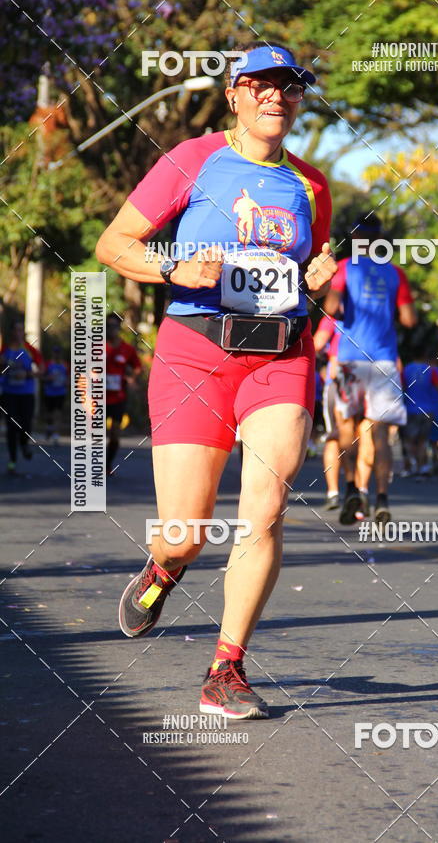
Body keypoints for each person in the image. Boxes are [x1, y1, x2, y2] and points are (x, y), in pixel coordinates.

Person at [96, 43, 335, 718]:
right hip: (195, 353)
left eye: (289, 88)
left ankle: (226, 667)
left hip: (281, 356)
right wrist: (176, 267)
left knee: (263, 513)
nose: (276, 97)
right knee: (185, 532)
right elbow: (113, 244)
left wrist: (320, 282)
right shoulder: (192, 160)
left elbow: (312, 270)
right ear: (234, 94)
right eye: (261, 85)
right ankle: (166, 567)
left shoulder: (312, 183)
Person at [325, 214, 416, 525]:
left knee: (346, 427)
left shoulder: (344, 268)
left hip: (350, 357)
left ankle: (351, 488)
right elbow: (409, 320)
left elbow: (331, 308)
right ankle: (381, 498)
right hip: (384, 359)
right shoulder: (395, 273)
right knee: (380, 434)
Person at [0, 319, 44, 475]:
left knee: (26, 423)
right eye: (16, 330)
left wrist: (27, 374)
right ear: (11, 332)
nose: (18, 333)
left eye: (21, 330)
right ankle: (12, 461)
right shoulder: (4, 350)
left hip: (26, 393)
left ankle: (24, 444)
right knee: (11, 427)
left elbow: (41, 370)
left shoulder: (30, 349)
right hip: (9, 393)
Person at [105, 314, 142, 476]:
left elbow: (137, 366)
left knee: (115, 433)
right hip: (96, 397)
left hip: (118, 397)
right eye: (108, 326)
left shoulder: (127, 349)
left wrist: (131, 378)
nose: (111, 330)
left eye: (114, 326)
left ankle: (107, 465)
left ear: (119, 328)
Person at [313, 313, 342, 509]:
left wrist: (326, 354)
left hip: (338, 378)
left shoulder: (332, 317)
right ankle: (359, 488)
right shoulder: (379, 310)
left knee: (334, 437)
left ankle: (333, 492)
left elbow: (317, 343)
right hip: (370, 380)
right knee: (363, 434)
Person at [402, 348, 438, 479]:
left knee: (408, 439)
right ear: (424, 355)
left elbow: (401, 387)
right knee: (422, 440)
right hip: (427, 409)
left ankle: (411, 464)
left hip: (410, 409)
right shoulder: (430, 370)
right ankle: (421, 467)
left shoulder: (406, 369)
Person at [42, 344, 68, 444]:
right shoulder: (48, 364)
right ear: (52, 353)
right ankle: (49, 428)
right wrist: (48, 378)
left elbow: (69, 376)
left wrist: (67, 382)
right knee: (49, 413)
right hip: (49, 392)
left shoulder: (65, 364)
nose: (56, 354)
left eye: (58, 352)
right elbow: (42, 377)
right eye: (55, 352)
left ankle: (56, 434)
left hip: (60, 392)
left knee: (58, 413)